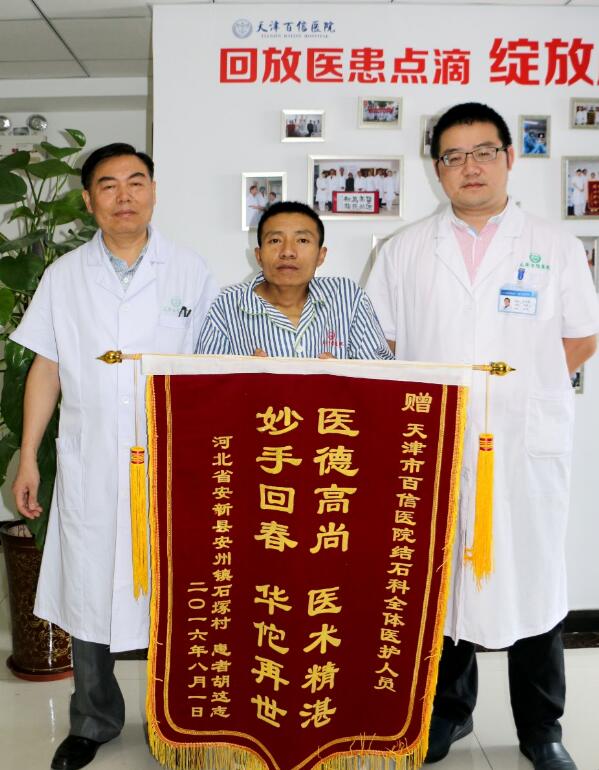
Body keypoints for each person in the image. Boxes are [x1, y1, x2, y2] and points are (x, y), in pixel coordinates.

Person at [366, 102, 599, 770]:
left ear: (508, 157)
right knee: (441, 581)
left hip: (522, 446)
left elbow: (581, 336)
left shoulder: (553, 245)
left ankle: (541, 729)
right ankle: (447, 712)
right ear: (436, 167)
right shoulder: (403, 249)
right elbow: (381, 344)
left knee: (533, 580)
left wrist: (520, 391)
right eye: (453, 156)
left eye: (483, 152)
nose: (469, 167)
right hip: (435, 443)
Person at [10, 143, 218, 770]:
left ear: (153, 190)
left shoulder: (191, 271)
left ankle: (173, 720)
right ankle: (93, 720)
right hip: (92, 461)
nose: (124, 196)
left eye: (136, 181)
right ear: (88, 200)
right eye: (108, 185)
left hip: (173, 461)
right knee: (89, 584)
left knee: (175, 592)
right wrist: (28, 456)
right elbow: (46, 368)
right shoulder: (64, 275)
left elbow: (217, 367)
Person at [197, 200, 392, 361]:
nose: (288, 252)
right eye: (275, 240)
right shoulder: (226, 305)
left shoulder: (347, 297)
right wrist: (244, 380)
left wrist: (344, 379)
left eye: (302, 240)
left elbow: (383, 379)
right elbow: (206, 384)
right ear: (258, 255)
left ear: (321, 255)